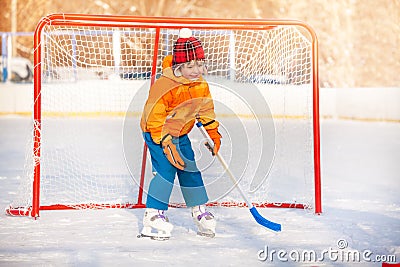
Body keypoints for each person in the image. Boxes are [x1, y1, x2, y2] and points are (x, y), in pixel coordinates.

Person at [139, 28, 221, 239]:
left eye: (200, 64)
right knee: (166, 170)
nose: (196, 70)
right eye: (190, 65)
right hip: (157, 132)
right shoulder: (165, 85)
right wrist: (164, 141)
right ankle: (153, 214)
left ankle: (199, 211)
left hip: (181, 133)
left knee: (190, 169)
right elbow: (153, 115)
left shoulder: (201, 84)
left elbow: (205, 109)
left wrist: (213, 133)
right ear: (178, 65)